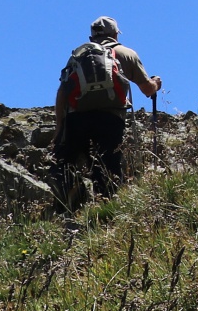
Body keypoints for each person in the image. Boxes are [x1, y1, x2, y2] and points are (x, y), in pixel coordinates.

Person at [53, 16, 161, 198]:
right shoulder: (126, 54)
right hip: (110, 119)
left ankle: (67, 207)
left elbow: (62, 92)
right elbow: (147, 89)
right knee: (108, 165)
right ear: (115, 35)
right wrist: (156, 84)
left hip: (77, 119)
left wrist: (59, 127)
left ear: (91, 37)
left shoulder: (78, 56)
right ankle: (106, 208)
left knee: (68, 165)